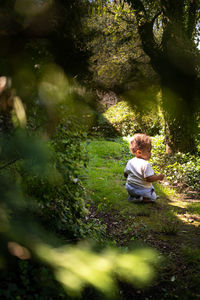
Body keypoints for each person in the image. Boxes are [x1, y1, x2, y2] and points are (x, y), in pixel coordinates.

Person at [124, 133, 164, 203]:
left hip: (130, 188)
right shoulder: (146, 164)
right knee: (153, 197)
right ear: (139, 152)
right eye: (148, 151)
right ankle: (142, 199)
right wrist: (158, 177)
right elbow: (149, 179)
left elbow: (125, 174)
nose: (150, 153)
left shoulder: (130, 162)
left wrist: (134, 178)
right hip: (141, 190)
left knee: (148, 188)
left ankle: (133, 196)